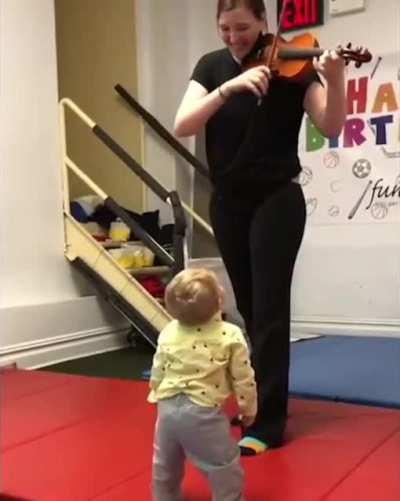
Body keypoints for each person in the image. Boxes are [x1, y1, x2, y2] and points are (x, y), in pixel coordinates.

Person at [174, 0, 346, 456]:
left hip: (277, 199)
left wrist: (338, 76)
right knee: (249, 309)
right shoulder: (212, 67)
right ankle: (253, 403)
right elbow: (182, 124)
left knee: (270, 310)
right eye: (225, 29)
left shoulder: (295, 62)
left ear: (265, 22)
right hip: (229, 201)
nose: (234, 38)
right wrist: (228, 89)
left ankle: (269, 423)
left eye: (244, 28)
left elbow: (330, 125)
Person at [148, 268, 257, 501]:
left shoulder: (168, 331)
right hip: (202, 412)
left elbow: (159, 365)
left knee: (165, 461)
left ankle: (165, 497)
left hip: (166, 408)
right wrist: (248, 409)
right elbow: (243, 378)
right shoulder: (229, 334)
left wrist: (155, 387)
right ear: (219, 301)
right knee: (223, 463)